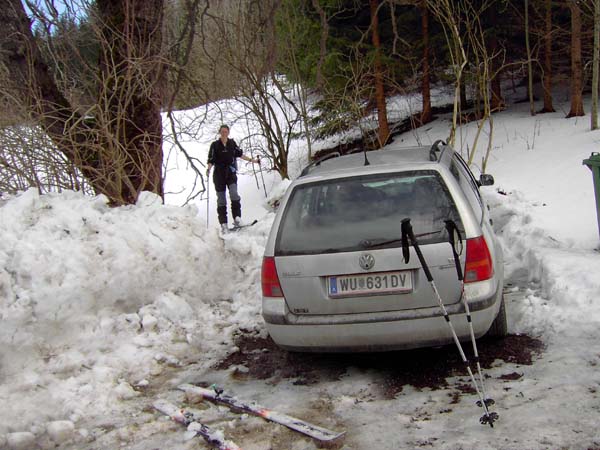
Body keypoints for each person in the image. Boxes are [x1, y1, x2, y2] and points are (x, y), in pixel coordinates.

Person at [206, 124, 259, 232]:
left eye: (226, 131)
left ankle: (237, 218)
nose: (224, 133)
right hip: (219, 174)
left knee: (234, 194)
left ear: (228, 133)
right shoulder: (214, 145)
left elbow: (239, 154)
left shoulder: (232, 143)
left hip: (230, 173)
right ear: (219, 133)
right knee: (221, 199)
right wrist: (209, 169)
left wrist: (253, 161)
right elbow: (211, 159)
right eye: (222, 132)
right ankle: (224, 224)